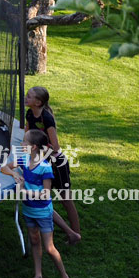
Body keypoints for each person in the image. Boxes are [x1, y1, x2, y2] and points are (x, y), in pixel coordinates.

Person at [1, 129, 78, 278]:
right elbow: (4, 168)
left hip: (42, 212)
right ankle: (38, 275)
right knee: (35, 241)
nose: (21, 144)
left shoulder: (45, 168)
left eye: (24, 142)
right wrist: (14, 174)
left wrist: (23, 190)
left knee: (50, 248)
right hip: (28, 210)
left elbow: (45, 195)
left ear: (34, 147)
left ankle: (65, 277)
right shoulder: (23, 160)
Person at [25, 86, 81, 244]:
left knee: (65, 199)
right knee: (43, 199)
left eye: (29, 96)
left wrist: (40, 158)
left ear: (38, 102)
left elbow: (55, 147)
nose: (25, 98)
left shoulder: (46, 118)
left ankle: (76, 234)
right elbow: (27, 135)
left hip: (56, 163)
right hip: (43, 162)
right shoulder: (30, 114)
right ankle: (69, 233)